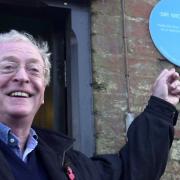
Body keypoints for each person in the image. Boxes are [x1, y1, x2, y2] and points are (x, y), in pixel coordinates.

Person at [0, 30, 179, 180]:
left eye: (34, 70)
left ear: (43, 94)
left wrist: (160, 107)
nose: (23, 77)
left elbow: (129, 172)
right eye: (8, 66)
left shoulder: (63, 159)